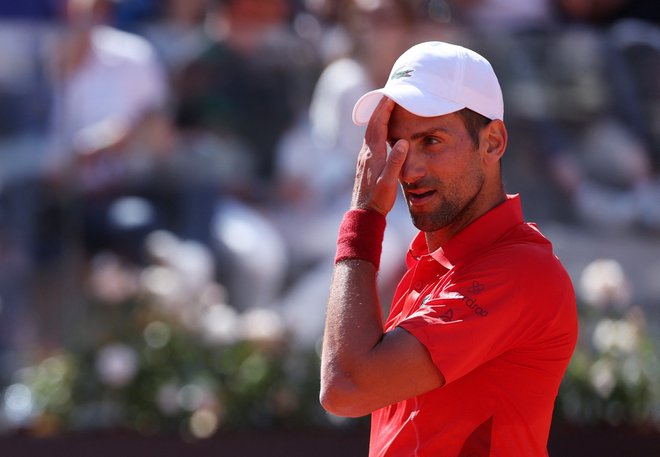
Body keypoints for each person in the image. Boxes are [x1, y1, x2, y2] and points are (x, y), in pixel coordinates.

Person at [320, 41, 578, 456]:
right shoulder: (435, 263)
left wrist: (363, 219)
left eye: (431, 141)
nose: (408, 168)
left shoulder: (524, 271)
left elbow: (346, 387)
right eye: (396, 144)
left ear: (493, 142)